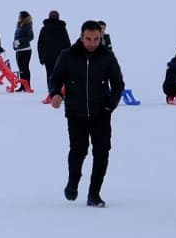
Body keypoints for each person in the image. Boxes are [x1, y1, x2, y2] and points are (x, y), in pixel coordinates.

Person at [47, 21, 125, 207]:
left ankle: (94, 194)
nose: (92, 43)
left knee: (102, 152)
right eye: (88, 39)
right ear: (81, 37)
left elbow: (118, 84)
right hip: (76, 113)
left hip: (101, 113)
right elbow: (55, 79)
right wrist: (56, 93)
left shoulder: (107, 56)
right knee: (78, 150)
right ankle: (73, 183)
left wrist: (110, 106)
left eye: (96, 39)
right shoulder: (67, 55)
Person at [37, 10, 72, 94]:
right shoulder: (62, 28)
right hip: (60, 56)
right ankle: (60, 91)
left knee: (50, 74)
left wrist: (41, 57)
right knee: (60, 74)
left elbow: (40, 44)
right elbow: (67, 43)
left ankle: (51, 92)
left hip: (48, 56)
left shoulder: (44, 29)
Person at [11, 10, 35, 92]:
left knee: (25, 68)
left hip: (25, 50)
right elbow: (16, 38)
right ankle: (23, 85)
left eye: (20, 16)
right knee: (21, 68)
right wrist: (15, 45)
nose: (19, 17)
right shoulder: (19, 25)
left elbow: (31, 37)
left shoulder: (28, 25)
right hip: (19, 50)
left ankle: (27, 85)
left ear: (23, 17)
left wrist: (20, 41)